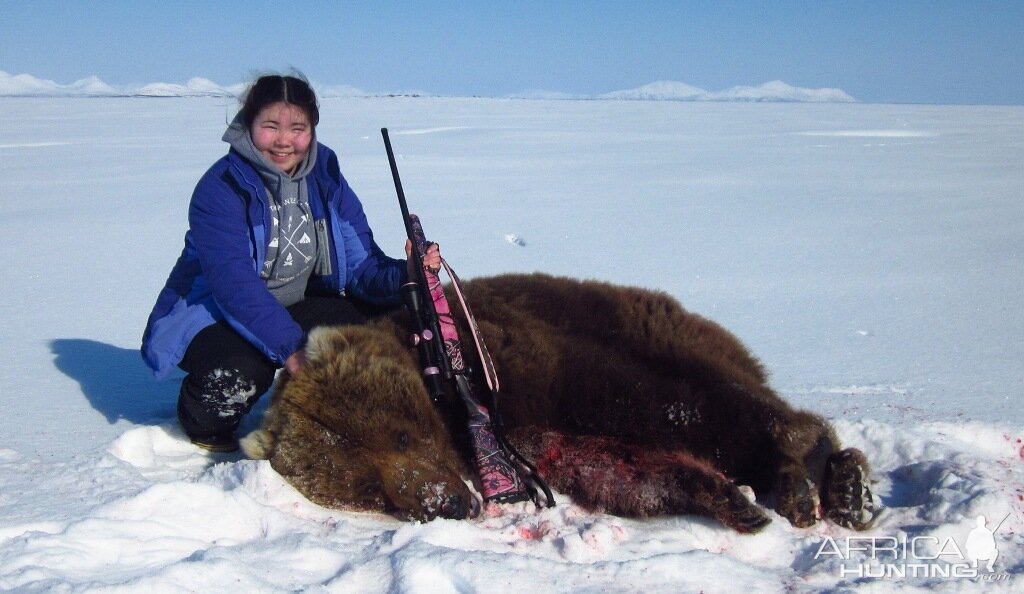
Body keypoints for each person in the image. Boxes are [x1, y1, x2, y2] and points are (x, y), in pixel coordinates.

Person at [141, 73, 439, 452]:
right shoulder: (220, 189)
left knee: (388, 323)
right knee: (241, 374)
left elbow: (363, 266)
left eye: (297, 128)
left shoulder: (325, 177)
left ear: (312, 129)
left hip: (295, 303)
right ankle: (201, 417)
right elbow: (234, 287)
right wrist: (295, 350)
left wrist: (408, 274)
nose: (284, 141)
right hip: (214, 315)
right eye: (271, 126)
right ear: (249, 125)